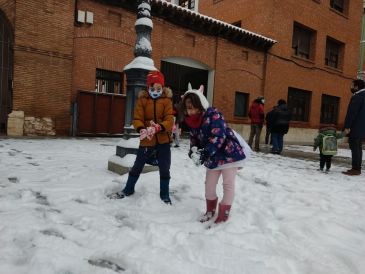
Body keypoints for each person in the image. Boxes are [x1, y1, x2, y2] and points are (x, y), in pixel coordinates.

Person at [181, 85, 247, 224]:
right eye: (188, 108)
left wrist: (205, 152)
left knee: (228, 184)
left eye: (193, 107)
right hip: (212, 157)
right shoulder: (192, 120)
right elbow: (194, 138)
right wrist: (193, 150)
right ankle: (210, 210)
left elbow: (218, 136)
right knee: (209, 186)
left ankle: (223, 214)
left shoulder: (214, 114)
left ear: (200, 104)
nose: (191, 111)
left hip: (228, 154)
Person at [109, 71, 174, 203]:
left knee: (164, 167)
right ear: (148, 87)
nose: (155, 91)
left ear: (162, 88)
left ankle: (164, 194)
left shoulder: (167, 101)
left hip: (163, 139)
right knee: (138, 165)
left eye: (158, 88)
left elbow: (169, 120)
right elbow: (137, 118)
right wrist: (141, 129)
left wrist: (158, 127)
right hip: (147, 140)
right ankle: (128, 188)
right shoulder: (142, 100)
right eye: (152, 88)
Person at [342, 79, 365, 176]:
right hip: (361, 127)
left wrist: (347, 126)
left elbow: (352, 113)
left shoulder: (358, 96)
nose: (351, 87)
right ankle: (357, 168)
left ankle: (355, 169)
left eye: (352, 85)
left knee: (355, 148)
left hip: (355, 127)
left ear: (356, 86)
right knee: (358, 148)